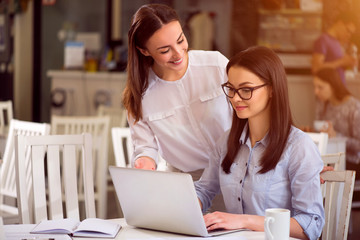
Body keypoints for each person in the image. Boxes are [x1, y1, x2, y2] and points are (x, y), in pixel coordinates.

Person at [195, 46, 324, 240]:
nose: (235, 98)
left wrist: (244, 221)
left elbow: (311, 225)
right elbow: (204, 190)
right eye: (231, 88)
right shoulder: (226, 141)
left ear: (272, 89)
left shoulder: (299, 146)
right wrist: (179, 212)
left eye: (246, 89)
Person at [122, 4, 232, 179]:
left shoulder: (217, 65)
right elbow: (146, 148)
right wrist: (144, 160)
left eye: (180, 40)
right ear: (144, 51)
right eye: (165, 50)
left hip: (234, 174)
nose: (178, 53)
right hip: (186, 181)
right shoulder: (140, 95)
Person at [313, 67, 360, 175]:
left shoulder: (354, 107)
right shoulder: (323, 104)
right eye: (315, 87)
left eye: (320, 87)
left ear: (333, 86)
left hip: (352, 161)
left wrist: (337, 136)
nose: (316, 91)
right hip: (329, 157)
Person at [312, 11, 357, 84]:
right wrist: (341, 62)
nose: (349, 35)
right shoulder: (323, 40)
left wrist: (348, 62)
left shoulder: (337, 42)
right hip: (328, 93)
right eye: (348, 30)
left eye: (351, 33)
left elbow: (334, 66)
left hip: (338, 91)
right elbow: (316, 68)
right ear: (340, 23)